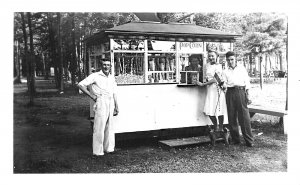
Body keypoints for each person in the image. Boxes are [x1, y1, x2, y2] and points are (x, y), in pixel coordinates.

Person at [78, 59, 119, 157]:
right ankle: (98, 151)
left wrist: (116, 105)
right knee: (99, 127)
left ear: (110, 66)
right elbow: (80, 85)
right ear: (101, 65)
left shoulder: (111, 77)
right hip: (101, 101)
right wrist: (91, 96)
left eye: (108, 65)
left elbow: (114, 92)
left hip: (111, 101)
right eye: (104, 65)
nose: (106, 67)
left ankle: (108, 148)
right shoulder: (95, 76)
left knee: (109, 126)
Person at [223, 51, 254, 147]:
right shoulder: (225, 71)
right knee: (231, 117)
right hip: (230, 93)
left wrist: (248, 95)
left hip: (240, 92)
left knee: (244, 117)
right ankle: (236, 140)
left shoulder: (242, 69)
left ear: (235, 59)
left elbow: (247, 82)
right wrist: (223, 85)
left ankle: (249, 140)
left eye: (232, 59)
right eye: (228, 60)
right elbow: (224, 83)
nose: (230, 61)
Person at [196, 49, 227, 132]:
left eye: (212, 56)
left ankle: (220, 128)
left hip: (217, 89)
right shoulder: (207, 65)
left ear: (216, 56)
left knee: (219, 110)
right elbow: (206, 76)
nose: (211, 57)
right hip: (210, 89)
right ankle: (215, 125)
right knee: (210, 109)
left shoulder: (219, 66)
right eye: (209, 56)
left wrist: (203, 84)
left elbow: (215, 79)